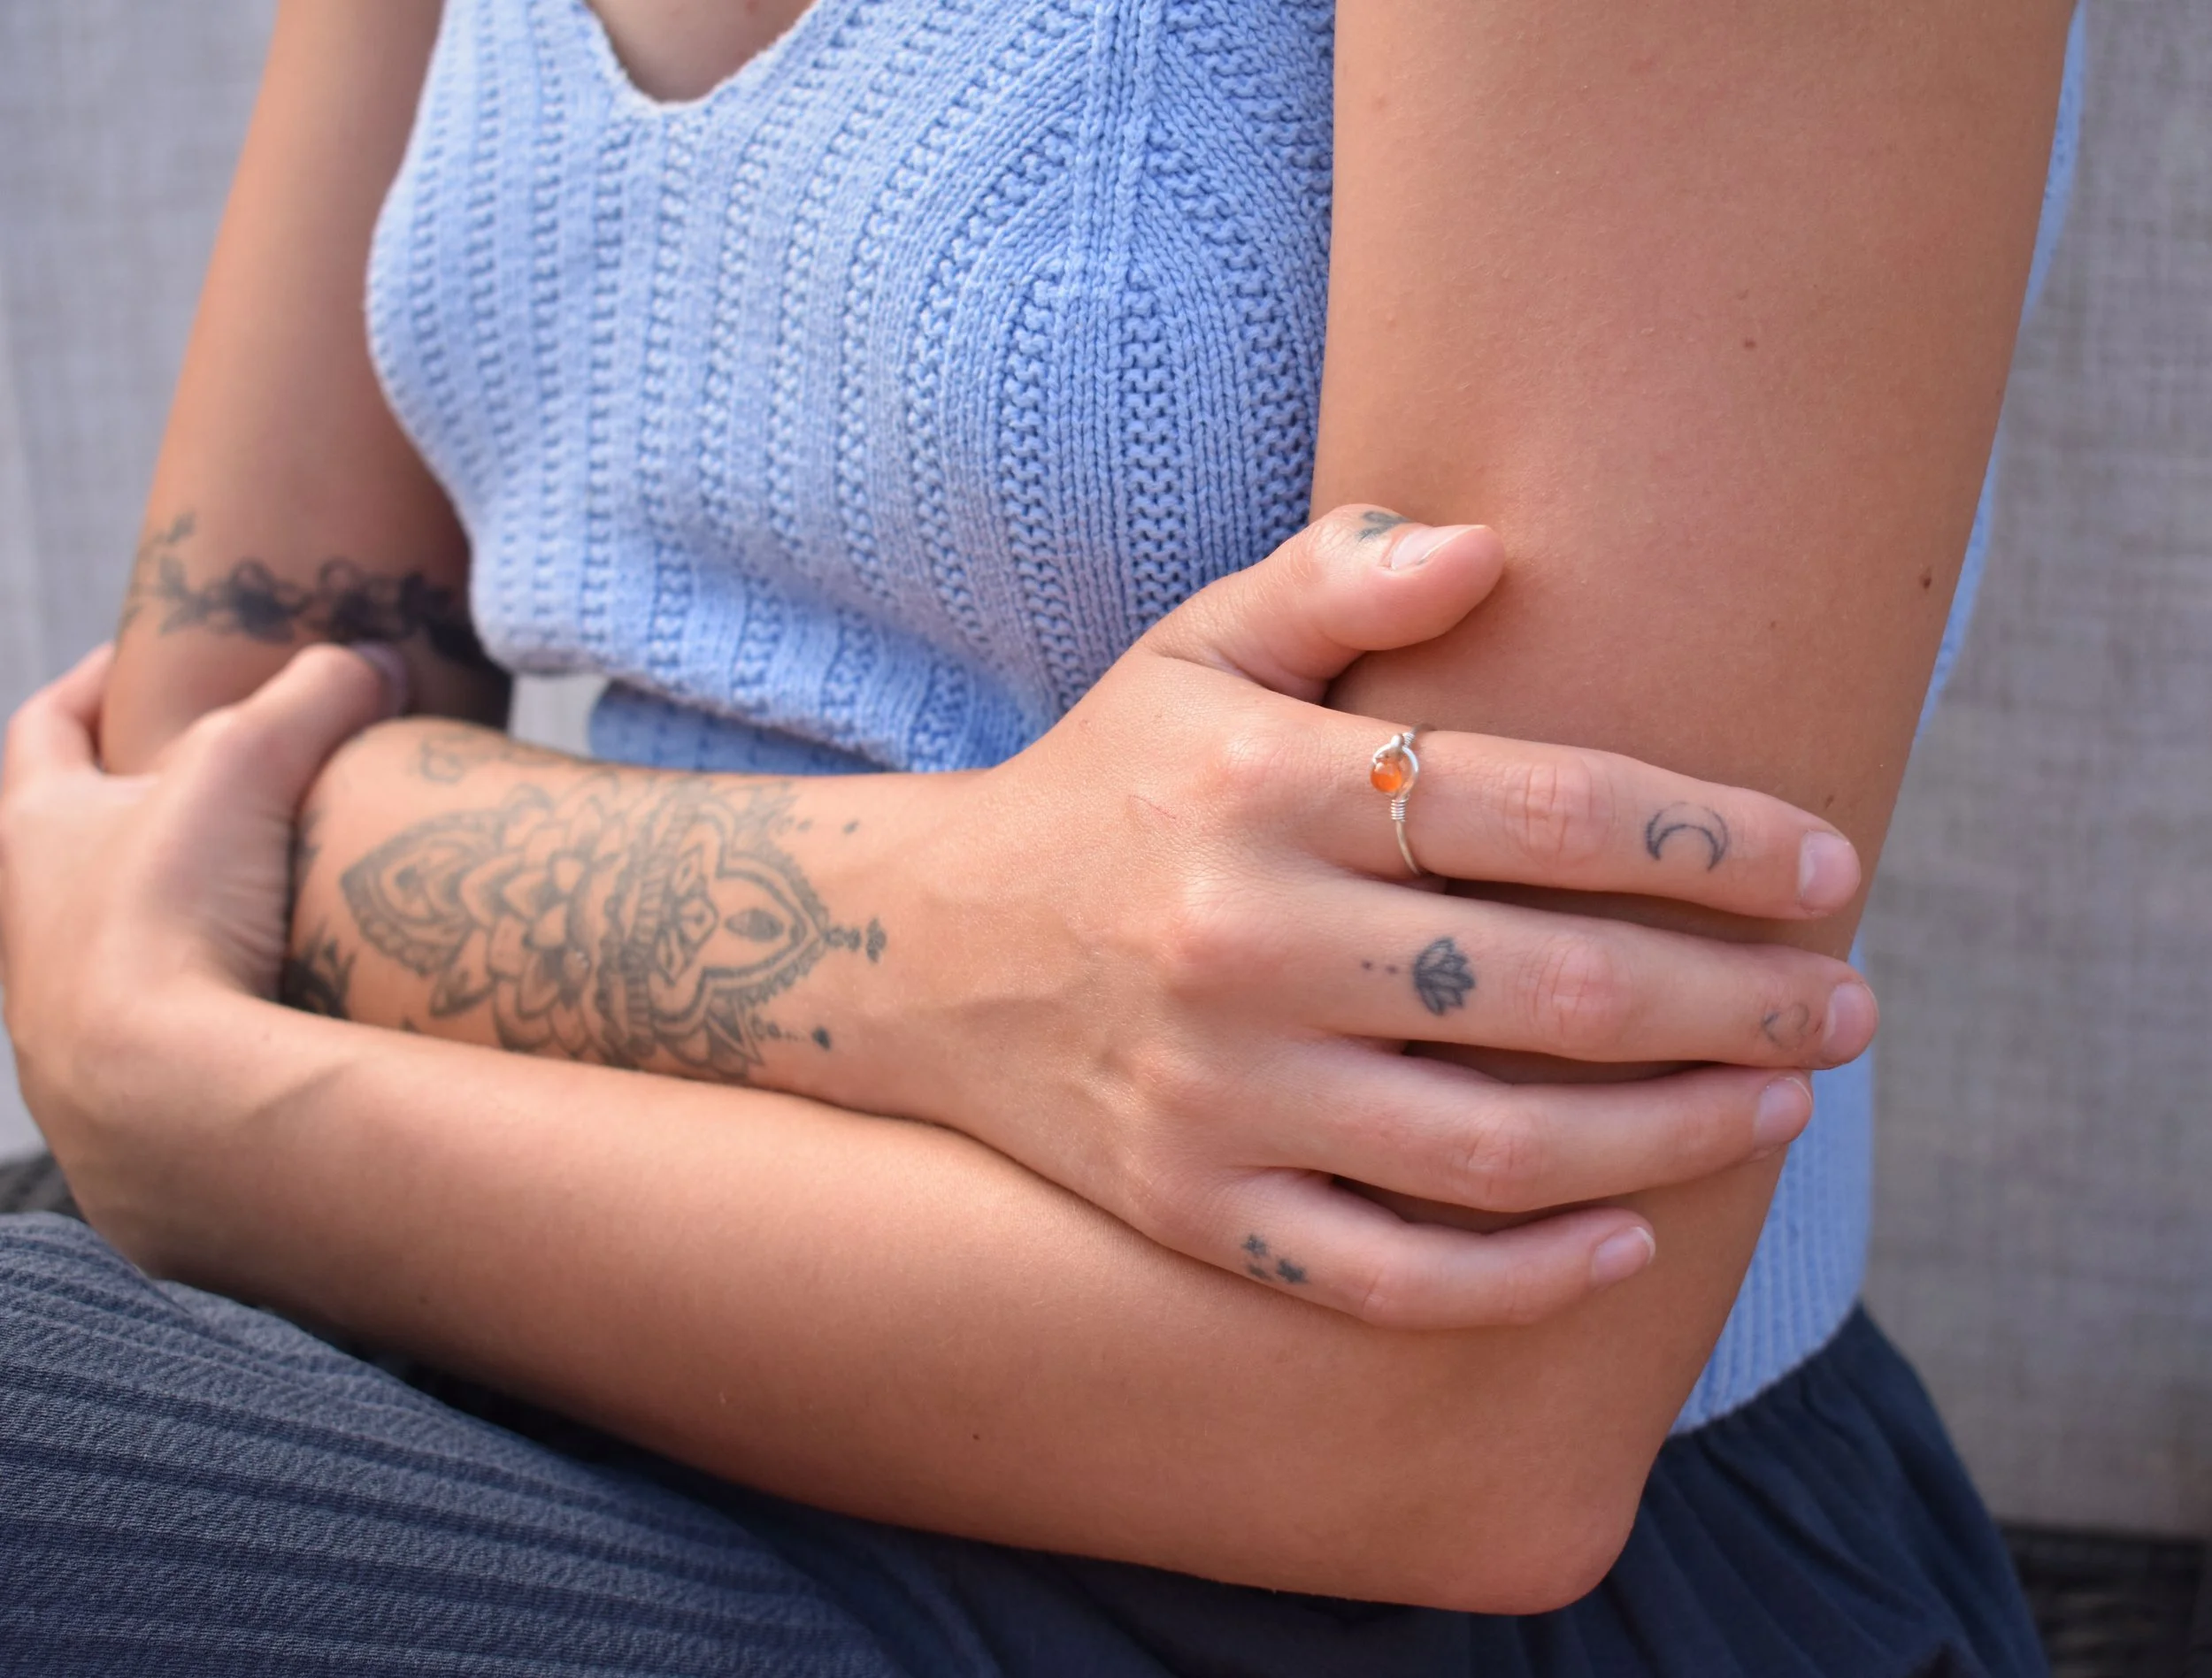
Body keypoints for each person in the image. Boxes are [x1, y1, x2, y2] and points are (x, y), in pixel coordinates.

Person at [0, 0, 2084, 1672]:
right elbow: (181, 792)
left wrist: (220, 1123)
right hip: (566, 1374)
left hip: (1361, 1585)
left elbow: (1448, 1433)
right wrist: (951, 934)